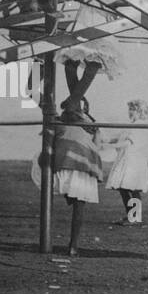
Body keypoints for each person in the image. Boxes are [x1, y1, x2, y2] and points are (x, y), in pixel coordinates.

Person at [38, 96, 103, 258]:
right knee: (79, 205)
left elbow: (48, 140)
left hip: (67, 161)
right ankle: (73, 246)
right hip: (83, 163)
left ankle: (66, 243)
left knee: (69, 195)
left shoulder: (58, 121)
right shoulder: (91, 125)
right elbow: (98, 146)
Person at [104, 99, 148, 225]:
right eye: (129, 109)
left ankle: (134, 217)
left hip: (133, 161)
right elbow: (120, 138)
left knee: (132, 188)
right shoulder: (131, 125)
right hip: (126, 158)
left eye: (133, 110)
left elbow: (127, 142)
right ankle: (131, 215)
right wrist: (106, 141)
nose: (130, 112)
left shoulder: (140, 126)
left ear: (140, 111)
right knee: (124, 188)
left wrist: (108, 146)